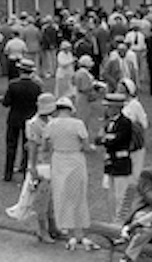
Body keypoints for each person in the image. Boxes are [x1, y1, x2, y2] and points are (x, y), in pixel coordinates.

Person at [44, 97, 101, 252]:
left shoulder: (51, 124)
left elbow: (45, 146)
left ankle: (70, 233)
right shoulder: (78, 124)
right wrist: (94, 148)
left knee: (62, 196)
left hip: (59, 161)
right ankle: (79, 233)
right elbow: (86, 146)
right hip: (75, 160)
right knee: (78, 196)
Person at [7, 92, 61, 243]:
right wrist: (32, 167)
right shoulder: (33, 124)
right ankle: (42, 230)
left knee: (51, 199)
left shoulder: (51, 121)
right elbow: (32, 147)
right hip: (41, 165)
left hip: (52, 163)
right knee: (42, 199)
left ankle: (52, 227)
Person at [2, 58, 42, 182]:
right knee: (28, 147)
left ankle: (8, 173)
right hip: (29, 119)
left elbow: (6, 102)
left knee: (11, 146)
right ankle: (25, 170)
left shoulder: (13, 85)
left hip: (14, 118)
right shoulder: (36, 87)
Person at [97, 92, 134, 221]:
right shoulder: (108, 123)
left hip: (121, 162)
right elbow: (98, 139)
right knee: (111, 196)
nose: (107, 109)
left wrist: (105, 139)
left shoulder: (125, 123)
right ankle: (114, 220)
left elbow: (115, 141)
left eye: (109, 107)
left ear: (116, 108)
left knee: (122, 195)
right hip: (110, 162)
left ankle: (121, 222)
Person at [120, 78, 149, 181]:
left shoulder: (135, 105)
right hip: (121, 142)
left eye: (122, 89)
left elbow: (144, 123)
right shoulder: (118, 104)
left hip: (133, 142)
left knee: (134, 170)